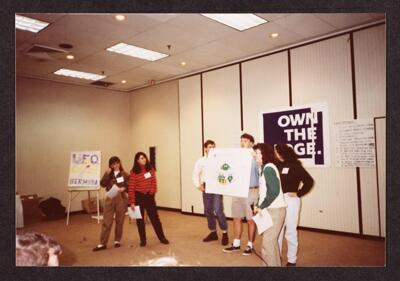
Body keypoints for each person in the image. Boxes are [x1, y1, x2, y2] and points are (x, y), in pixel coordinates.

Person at [275, 144, 314, 266]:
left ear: (282, 153)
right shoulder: (275, 165)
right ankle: (277, 256)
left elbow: (309, 181)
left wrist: (298, 193)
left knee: (290, 231)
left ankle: (292, 260)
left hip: (291, 201)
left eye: (276, 151)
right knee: (278, 231)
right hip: (278, 201)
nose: (274, 153)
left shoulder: (295, 166)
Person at [223, 133, 259, 256]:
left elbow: (261, 171)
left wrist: (255, 158)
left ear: (251, 143)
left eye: (245, 141)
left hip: (251, 191)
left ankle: (250, 245)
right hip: (237, 190)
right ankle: (236, 243)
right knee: (236, 218)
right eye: (241, 141)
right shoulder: (237, 157)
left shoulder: (256, 157)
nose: (242, 143)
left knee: (250, 219)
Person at [253, 143, 287, 266]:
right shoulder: (264, 168)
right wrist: (258, 204)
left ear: (264, 154)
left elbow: (274, 191)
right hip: (270, 210)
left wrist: (261, 206)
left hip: (275, 211)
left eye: (257, 153)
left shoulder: (268, 168)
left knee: (267, 244)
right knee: (270, 244)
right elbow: (264, 191)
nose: (255, 155)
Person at [128, 152, 169, 247]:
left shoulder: (150, 169)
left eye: (144, 157)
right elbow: (131, 188)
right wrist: (132, 202)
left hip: (149, 197)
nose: (144, 159)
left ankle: (162, 237)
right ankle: (143, 240)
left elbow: (154, 182)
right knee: (140, 219)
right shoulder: (134, 172)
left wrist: (152, 191)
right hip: (139, 197)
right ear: (137, 161)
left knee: (155, 218)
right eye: (141, 158)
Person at [192, 140, 228, 245]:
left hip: (217, 187)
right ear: (205, 148)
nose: (211, 149)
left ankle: (225, 232)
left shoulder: (219, 160)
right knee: (208, 211)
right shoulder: (201, 161)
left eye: (213, 147)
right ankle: (213, 233)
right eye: (209, 147)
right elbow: (195, 173)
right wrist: (198, 185)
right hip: (207, 187)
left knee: (218, 210)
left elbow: (225, 172)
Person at [93, 156, 129, 251]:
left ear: (120, 163)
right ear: (111, 165)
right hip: (110, 197)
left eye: (117, 163)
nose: (116, 165)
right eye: (113, 164)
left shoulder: (124, 174)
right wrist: (106, 174)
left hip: (121, 198)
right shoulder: (109, 174)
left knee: (119, 221)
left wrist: (124, 188)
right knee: (107, 221)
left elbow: (129, 185)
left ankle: (117, 240)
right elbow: (102, 184)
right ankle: (102, 243)